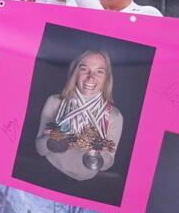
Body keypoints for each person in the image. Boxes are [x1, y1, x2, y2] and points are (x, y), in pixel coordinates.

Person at [34, 50, 125, 183]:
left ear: (107, 77)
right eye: (84, 69)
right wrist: (51, 138)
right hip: (48, 172)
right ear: (75, 72)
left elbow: (107, 164)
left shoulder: (114, 116)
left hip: (86, 185)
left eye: (99, 71)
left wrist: (98, 152)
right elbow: (40, 149)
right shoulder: (55, 101)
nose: (90, 77)